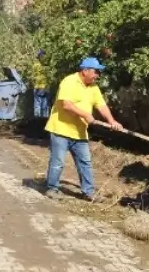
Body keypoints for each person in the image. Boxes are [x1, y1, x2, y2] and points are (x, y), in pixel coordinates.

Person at [43, 57, 125, 200]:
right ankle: (52, 188)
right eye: (96, 72)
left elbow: (101, 105)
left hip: (79, 132)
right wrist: (86, 114)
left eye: (99, 72)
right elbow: (66, 105)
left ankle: (89, 192)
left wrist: (112, 121)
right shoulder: (69, 81)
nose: (98, 75)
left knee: (85, 162)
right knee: (58, 161)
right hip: (61, 129)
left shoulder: (93, 87)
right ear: (85, 71)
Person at [29, 49, 51, 132]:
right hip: (46, 88)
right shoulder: (48, 67)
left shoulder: (35, 66)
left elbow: (32, 77)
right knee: (45, 106)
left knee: (38, 106)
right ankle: (44, 125)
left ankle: (37, 125)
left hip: (38, 87)